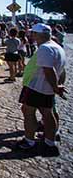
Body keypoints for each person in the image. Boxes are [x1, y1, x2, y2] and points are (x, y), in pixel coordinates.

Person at [17, 23, 66, 156]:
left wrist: (56, 87)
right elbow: (62, 70)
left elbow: (48, 70)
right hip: (46, 88)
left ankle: (29, 141)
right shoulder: (57, 47)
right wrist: (58, 86)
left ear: (38, 35)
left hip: (36, 87)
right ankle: (50, 143)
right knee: (48, 114)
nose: (31, 35)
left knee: (28, 112)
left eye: (33, 33)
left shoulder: (45, 48)